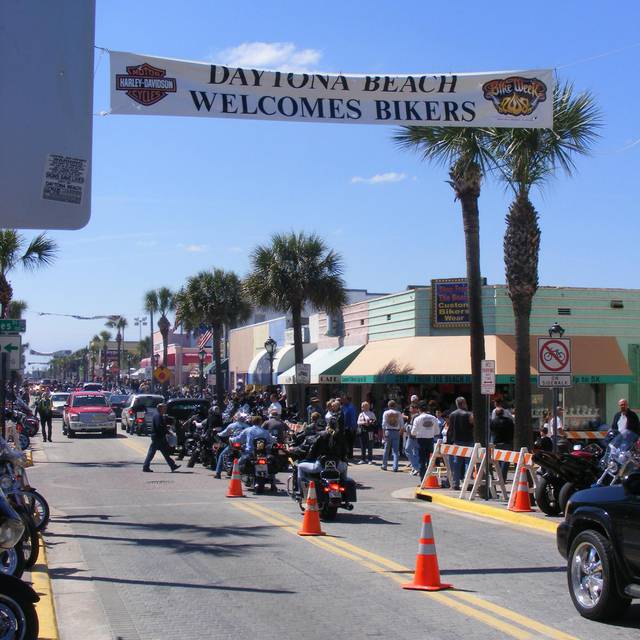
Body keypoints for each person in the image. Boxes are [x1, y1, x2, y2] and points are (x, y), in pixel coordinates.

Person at [297, 419, 348, 488]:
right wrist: (342, 459)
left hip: (320, 466)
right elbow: (344, 452)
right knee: (345, 467)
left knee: (300, 466)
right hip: (337, 466)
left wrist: (308, 458)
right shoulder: (341, 436)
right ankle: (343, 484)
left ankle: (300, 490)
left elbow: (313, 449)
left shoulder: (321, 434)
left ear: (328, 425)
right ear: (337, 426)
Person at [143, 404, 180, 472]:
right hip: (158, 437)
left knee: (164, 452)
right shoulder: (158, 416)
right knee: (152, 453)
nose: (165, 409)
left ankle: (172, 465)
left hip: (158, 436)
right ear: (160, 408)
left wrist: (166, 429)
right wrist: (166, 431)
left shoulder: (158, 415)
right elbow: (159, 426)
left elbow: (161, 426)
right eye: (164, 408)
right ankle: (145, 466)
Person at [448, 397, 474, 490]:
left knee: (456, 463)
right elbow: (473, 425)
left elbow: (450, 429)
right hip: (468, 440)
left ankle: (455, 483)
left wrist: (449, 441)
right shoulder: (469, 414)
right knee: (468, 463)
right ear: (463, 403)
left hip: (457, 441)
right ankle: (467, 483)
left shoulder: (452, 414)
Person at [214, 413, 251, 479]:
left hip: (233, 444)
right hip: (243, 445)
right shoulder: (247, 427)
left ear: (236, 418)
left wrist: (218, 434)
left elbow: (224, 433)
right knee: (245, 457)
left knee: (222, 456)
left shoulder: (232, 425)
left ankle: (218, 473)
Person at [410, 401, 439, 480]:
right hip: (430, 440)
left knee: (421, 461)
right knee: (430, 460)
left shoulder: (417, 419)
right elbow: (437, 432)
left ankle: (423, 479)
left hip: (421, 441)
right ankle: (430, 477)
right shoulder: (433, 418)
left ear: (419, 409)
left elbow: (413, 432)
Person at [489, 407, 515, 479]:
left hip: (497, 442)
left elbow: (491, 431)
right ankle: (503, 476)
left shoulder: (493, 421)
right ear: (503, 413)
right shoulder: (509, 421)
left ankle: (500, 475)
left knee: (498, 461)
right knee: (506, 461)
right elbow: (513, 430)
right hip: (507, 442)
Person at [381, 400, 404, 472]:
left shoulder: (386, 413)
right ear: (395, 406)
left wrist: (383, 433)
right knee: (396, 451)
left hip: (388, 431)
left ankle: (384, 465)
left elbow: (383, 424)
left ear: (388, 406)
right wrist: (401, 431)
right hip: (396, 431)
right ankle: (395, 467)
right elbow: (402, 424)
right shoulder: (398, 413)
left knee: (386, 449)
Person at [341, 395, 357, 460]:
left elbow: (353, 418)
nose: (343, 400)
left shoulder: (351, 407)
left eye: (344, 399)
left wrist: (352, 427)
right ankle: (347, 455)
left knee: (350, 442)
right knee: (345, 442)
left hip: (350, 428)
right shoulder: (343, 407)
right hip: (344, 427)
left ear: (348, 400)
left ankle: (350, 455)